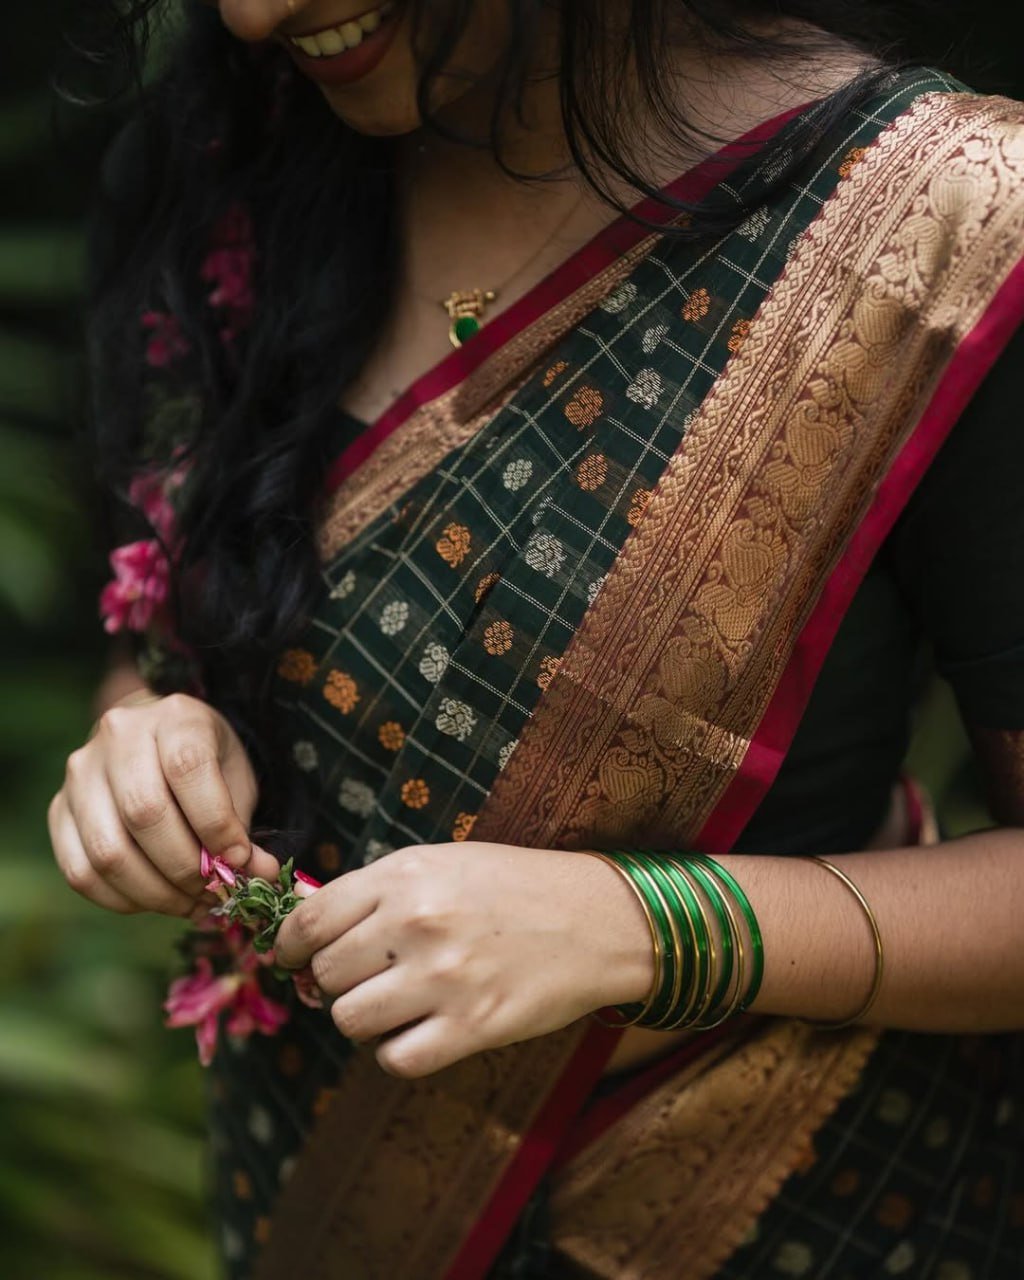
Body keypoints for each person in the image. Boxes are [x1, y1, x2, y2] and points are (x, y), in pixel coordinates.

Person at [47, 1, 1024, 1276]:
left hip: (797, 1201)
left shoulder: (936, 230)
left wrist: (644, 927)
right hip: (308, 1189)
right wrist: (144, 735)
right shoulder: (228, 156)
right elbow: (159, 627)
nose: (252, 8)